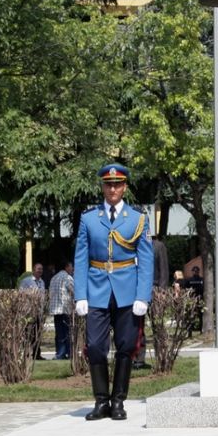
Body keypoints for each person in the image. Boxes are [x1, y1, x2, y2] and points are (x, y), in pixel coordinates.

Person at [74, 163, 154, 421]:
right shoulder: (88, 218)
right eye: (108, 184)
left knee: (126, 346)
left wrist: (143, 296)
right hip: (96, 288)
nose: (112, 189)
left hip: (127, 290)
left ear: (125, 187)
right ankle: (100, 401)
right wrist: (80, 294)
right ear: (102, 187)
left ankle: (118, 401)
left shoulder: (138, 218)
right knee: (95, 346)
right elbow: (81, 258)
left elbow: (146, 259)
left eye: (117, 184)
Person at [20, 262, 46, 360]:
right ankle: (26, 354)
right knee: (28, 333)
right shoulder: (26, 281)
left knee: (37, 334)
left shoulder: (42, 282)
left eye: (41, 269)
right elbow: (21, 294)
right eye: (38, 269)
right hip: (29, 312)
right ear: (33, 270)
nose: (40, 271)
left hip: (39, 312)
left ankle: (36, 354)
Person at [49, 260, 75, 360]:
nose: (72, 269)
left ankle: (59, 352)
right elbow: (74, 291)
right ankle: (65, 353)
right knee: (67, 332)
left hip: (55, 309)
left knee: (59, 332)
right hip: (65, 309)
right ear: (67, 266)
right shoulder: (67, 278)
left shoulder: (54, 278)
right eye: (71, 267)